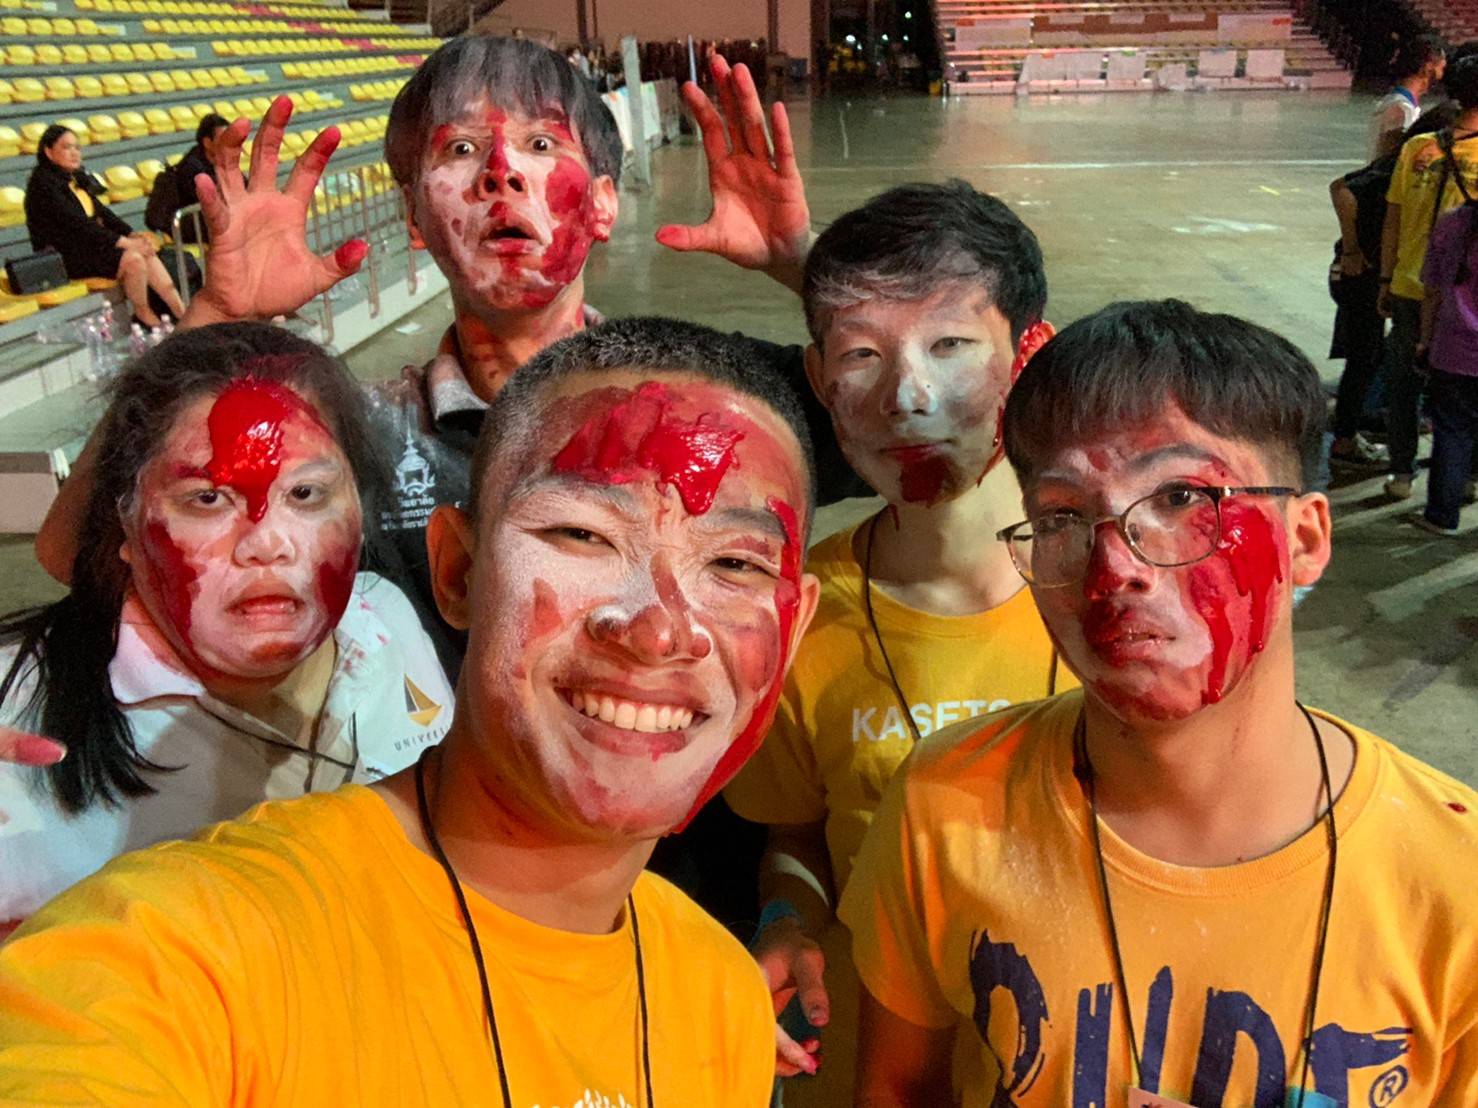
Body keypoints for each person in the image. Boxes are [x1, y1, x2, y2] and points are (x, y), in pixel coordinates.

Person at [0, 317, 820, 1107]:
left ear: (798, 625)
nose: (659, 629)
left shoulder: (720, 1000)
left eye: (736, 564)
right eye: (582, 534)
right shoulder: (178, 952)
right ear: (456, 572)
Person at [841, 299, 1478, 1106]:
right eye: (1063, 516)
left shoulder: (1453, 881)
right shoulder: (947, 804)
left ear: (1307, 539)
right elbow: (898, 1086)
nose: (1115, 569)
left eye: (1180, 497)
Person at [719, 180, 1070, 1099]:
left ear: (1030, 353)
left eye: (951, 346)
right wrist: (787, 917)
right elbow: (798, 833)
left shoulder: (1121, 594)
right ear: (817, 380)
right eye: (862, 357)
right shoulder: (796, 613)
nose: (907, 398)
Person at [0, 322, 452, 931]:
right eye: (208, 499)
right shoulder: (15, 721)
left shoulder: (387, 618)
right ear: (124, 525)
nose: (266, 543)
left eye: (306, 493)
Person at [1379, 53, 1478, 501]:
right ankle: (1463, 477)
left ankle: (1401, 471)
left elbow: (1393, 218)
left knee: (1405, 383)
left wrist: (1386, 279)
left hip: (1409, 284)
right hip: (1463, 295)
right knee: (1462, 391)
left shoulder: (1419, 147)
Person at [23, 124, 186, 327]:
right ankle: (143, 312)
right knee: (133, 259)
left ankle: (182, 312)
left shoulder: (74, 179)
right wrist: (126, 243)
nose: (74, 153)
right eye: (66, 147)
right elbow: (79, 225)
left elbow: (105, 215)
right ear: (48, 152)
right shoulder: (43, 185)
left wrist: (132, 235)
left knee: (146, 250)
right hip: (64, 257)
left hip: (89, 247)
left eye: (77, 147)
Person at [1410, 193, 1478, 534]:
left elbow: (1432, 291)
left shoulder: (1452, 223)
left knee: (1452, 432)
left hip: (1454, 349)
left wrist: (1424, 340)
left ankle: (1442, 515)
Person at [145, 112, 231, 243]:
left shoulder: (223, 163)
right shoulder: (192, 167)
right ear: (207, 143)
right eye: (224, 140)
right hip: (188, 226)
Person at [1371, 34, 1447, 159]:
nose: (1441, 75)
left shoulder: (1399, 104)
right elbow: (1390, 160)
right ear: (1428, 67)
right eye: (1441, 68)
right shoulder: (1399, 109)